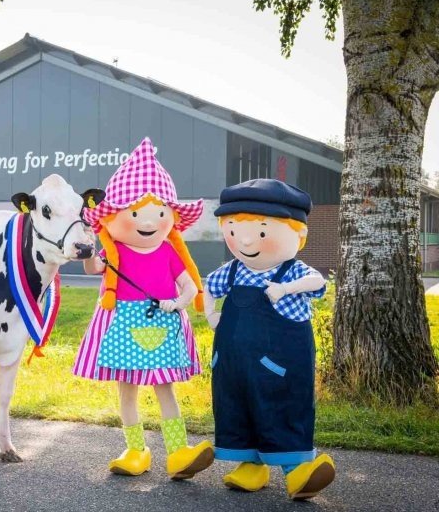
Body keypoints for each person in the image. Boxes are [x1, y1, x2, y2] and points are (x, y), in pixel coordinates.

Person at [73, 137, 214, 479]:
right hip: (122, 321)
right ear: (114, 217)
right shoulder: (114, 251)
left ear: (170, 217)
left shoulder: (167, 251)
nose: (149, 222)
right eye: (135, 213)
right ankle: (136, 450)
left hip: (163, 323)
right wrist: (91, 249)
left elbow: (190, 287)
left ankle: (178, 451)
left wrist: (177, 304)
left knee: (165, 387)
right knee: (127, 389)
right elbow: (94, 270)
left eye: (160, 213)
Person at [204, 178, 335, 500]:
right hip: (234, 364)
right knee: (236, 407)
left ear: (298, 235)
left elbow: (317, 281)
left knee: (282, 406)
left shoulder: (291, 271)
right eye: (233, 230)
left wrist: (286, 289)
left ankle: (297, 472)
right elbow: (208, 287)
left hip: (281, 365)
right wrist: (210, 315)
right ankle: (250, 465)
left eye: (261, 231)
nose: (245, 241)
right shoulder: (232, 270)